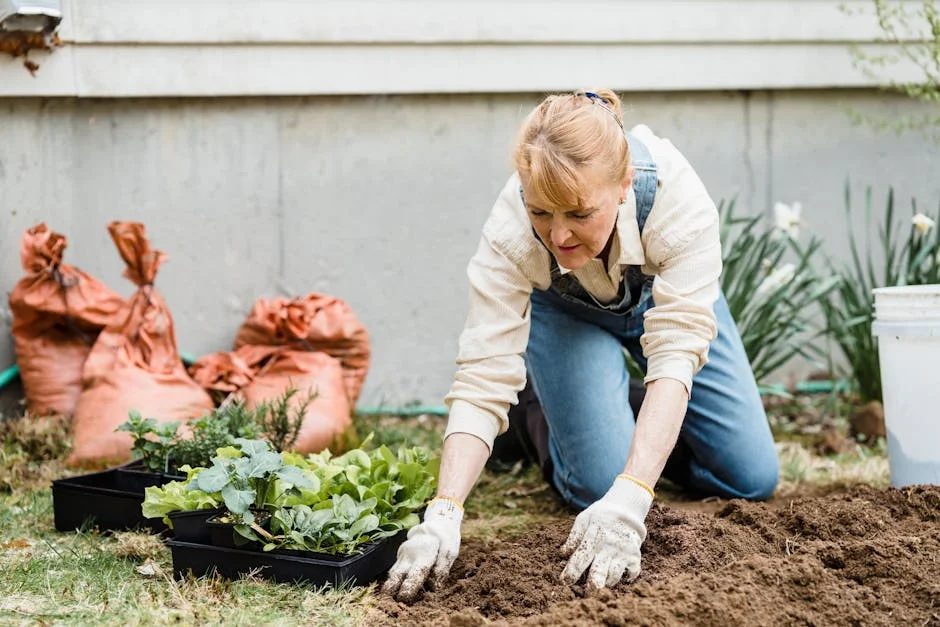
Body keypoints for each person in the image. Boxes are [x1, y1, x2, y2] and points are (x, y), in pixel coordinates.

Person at [382, 89, 780, 602]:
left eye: (578, 212)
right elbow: (483, 375)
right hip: (564, 315)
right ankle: (536, 412)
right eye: (541, 212)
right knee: (597, 487)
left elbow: (677, 353)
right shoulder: (510, 234)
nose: (559, 235)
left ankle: (605, 407)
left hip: (665, 304)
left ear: (622, 184)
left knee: (750, 476)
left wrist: (634, 495)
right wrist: (444, 513)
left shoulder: (676, 200)